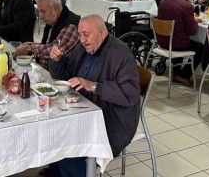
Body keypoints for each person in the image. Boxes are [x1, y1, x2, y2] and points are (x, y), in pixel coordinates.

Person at [48, 14, 140, 177]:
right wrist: (56, 60)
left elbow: (130, 95)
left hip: (111, 118)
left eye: (86, 34)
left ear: (102, 33)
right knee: (52, 130)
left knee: (68, 145)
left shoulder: (120, 54)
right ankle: (57, 172)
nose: (82, 39)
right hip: (82, 109)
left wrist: (93, 86)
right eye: (80, 34)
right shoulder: (83, 48)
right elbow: (62, 75)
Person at [14, 0, 80, 69]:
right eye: (39, 12)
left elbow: (54, 51)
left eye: (43, 11)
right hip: (45, 69)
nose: (41, 16)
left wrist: (30, 47)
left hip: (59, 76)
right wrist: (28, 45)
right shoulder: (53, 20)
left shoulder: (71, 25)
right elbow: (47, 44)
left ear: (55, 8)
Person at [157, 0, 203, 86]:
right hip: (175, 43)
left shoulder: (164, 0)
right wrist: (195, 21)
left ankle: (176, 73)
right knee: (200, 48)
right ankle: (183, 75)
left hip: (161, 41)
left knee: (178, 36)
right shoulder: (186, 5)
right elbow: (192, 30)